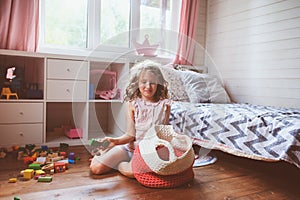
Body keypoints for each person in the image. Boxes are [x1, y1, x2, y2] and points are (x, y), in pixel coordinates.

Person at [89, 60, 171, 178]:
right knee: (96, 168)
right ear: (137, 82)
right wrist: (115, 141)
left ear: (158, 83)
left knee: (135, 173)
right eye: (143, 82)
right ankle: (114, 157)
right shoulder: (133, 104)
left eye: (152, 82)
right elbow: (130, 135)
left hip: (149, 153)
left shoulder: (165, 105)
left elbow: (164, 134)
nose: (148, 86)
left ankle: (121, 165)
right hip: (130, 149)